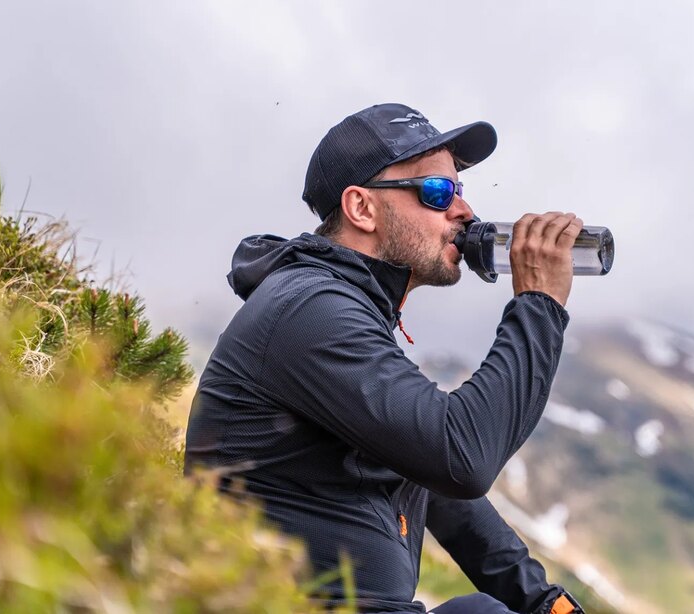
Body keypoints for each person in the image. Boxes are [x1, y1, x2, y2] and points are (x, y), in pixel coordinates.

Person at [184, 103, 585, 614]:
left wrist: (547, 604)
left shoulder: (345, 309)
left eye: (460, 190)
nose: (465, 212)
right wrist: (539, 304)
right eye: (438, 192)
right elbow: (461, 457)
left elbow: (430, 479)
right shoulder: (311, 309)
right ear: (362, 208)